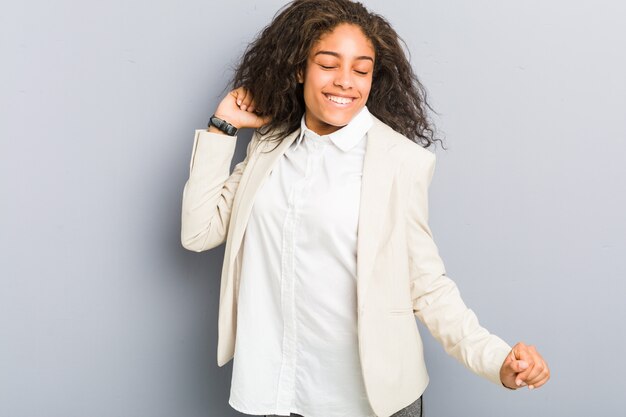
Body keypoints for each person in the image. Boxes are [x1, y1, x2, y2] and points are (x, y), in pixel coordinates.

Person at [180, 1, 550, 416]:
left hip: (366, 401)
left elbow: (427, 286)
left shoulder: (399, 161)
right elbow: (198, 232)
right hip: (275, 391)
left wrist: (496, 359)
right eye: (328, 64)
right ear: (300, 68)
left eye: (361, 70)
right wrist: (222, 128)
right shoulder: (269, 146)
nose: (345, 82)